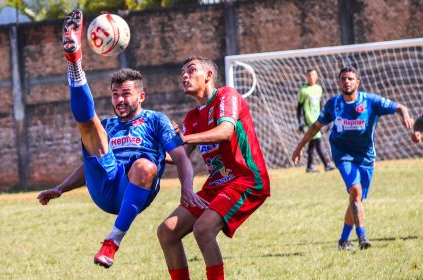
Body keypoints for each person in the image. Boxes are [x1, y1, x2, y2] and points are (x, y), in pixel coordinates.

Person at [37, 10, 207, 268]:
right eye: (115, 94)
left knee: (144, 165)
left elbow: (181, 158)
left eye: (126, 94)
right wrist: (60, 188)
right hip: (105, 188)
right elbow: (90, 166)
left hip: (137, 187)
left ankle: (112, 242)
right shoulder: (109, 126)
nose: (119, 100)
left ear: (141, 96)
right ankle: (74, 64)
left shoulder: (156, 121)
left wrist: (186, 188)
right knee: (91, 123)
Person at [157, 56, 271, 280]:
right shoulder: (192, 117)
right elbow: (181, 158)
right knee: (167, 231)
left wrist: (185, 138)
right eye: (183, 72)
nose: (185, 76)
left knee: (203, 229)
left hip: (246, 180)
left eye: (191, 70)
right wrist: (149, 156)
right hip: (216, 186)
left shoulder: (227, 95)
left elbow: (225, 131)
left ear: (208, 75)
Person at [291, 66, 413, 251]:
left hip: (366, 156)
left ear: (358, 82)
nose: (347, 81)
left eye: (350, 78)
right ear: (339, 82)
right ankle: (362, 237)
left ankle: (343, 241)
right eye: (343, 79)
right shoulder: (334, 104)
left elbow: (399, 107)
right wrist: (299, 147)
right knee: (355, 191)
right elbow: (316, 126)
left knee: (356, 199)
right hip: (342, 154)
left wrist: (405, 115)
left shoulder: (371, 101)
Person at [297, 69, 335, 172]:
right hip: (309, 121)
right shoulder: (303, 90)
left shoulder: (319, 89)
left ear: (316, 76)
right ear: (306, 77)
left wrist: (325, 117)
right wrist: (300, 122)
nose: (311, 77)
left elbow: (321, 104)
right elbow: (299, 107)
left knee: (313, 143)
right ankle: (326, 164)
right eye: (309, 75)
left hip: (318, 119)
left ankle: (309, 167)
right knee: (317, 141)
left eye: (313, 75)